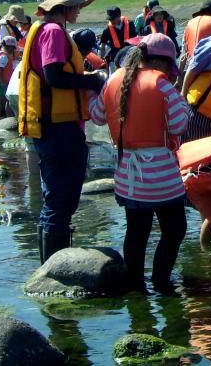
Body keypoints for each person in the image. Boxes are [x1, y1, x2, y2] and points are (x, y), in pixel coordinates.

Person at [88, 33, 192, 293]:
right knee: (175, 230)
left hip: (128, 177)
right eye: (170, 66)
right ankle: (161, 281)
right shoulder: (161, 84)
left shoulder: (114, 78)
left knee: (136, 232)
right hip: (162, 178)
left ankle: (136, 286)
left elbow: (97, 115)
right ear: (161, 62)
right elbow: (180, 123)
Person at [18, 0, 104, 263]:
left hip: (50, 126)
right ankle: (55, 267)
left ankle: (50, 265)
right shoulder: (54, 32)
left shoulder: (43, 28)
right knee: (61, 199)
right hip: (59, 127)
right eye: (77, 4)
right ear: (64, 6)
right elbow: (54, 75)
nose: (80, 9)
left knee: (55, 197)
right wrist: (92, 82)